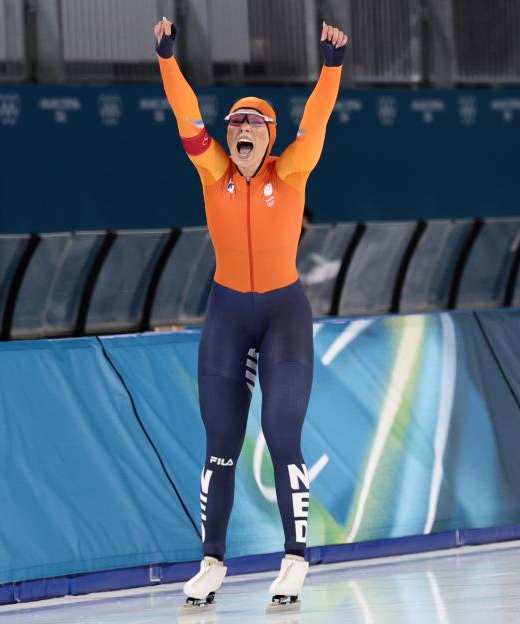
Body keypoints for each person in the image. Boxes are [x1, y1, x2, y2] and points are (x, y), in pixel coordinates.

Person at [154, 16, 347, 608]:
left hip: (284, 313)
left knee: (281, 435)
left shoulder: (290, 172)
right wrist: (167, 58)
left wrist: (332, 68)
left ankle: (295, 557)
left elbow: (314, 120)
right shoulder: (212, 171)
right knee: (220, 444)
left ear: (268, 135)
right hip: (228, 314)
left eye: (250, 124)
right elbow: (187, 113)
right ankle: (212, 563)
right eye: (233, 121)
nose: (239, 130)